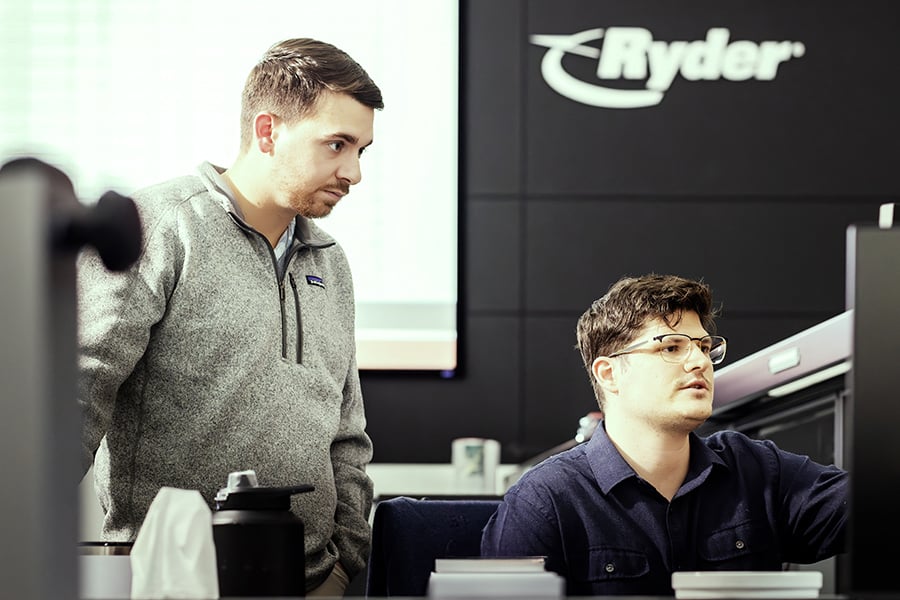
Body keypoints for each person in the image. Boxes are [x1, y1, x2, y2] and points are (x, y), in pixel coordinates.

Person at [77, 38, 383, 597]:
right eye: (337, 144)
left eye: (362, 149)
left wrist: (342, 569)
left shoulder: (330, 261)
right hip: (170, 578)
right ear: (267, 131)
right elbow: (77, 393)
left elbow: (347, 435)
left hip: (311, 581)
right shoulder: (162, 227)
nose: (354, 171)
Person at [480, 273, 847, 596]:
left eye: (704, 347)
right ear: (609, 374)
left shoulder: (756, 468)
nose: (700, 361)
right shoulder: (544, 504)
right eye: (671, 347)